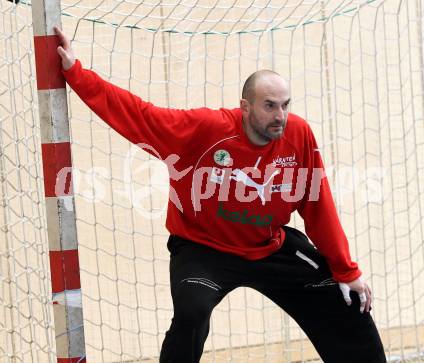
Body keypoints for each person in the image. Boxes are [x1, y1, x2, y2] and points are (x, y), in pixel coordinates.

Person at [54, 26, 386, 362]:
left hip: (268, 245)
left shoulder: (298, 135)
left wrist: (347, 270)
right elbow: (139, 115)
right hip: (203, 249)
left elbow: (318, 206)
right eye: (269, 106)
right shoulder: (205, 130)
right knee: (192, 313)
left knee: (346, 299)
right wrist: (75, 72)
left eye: (285, 105)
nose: (280, 116)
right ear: (245, 106)